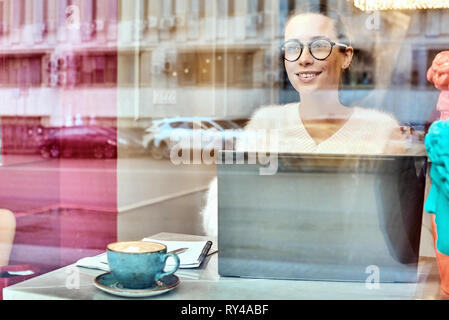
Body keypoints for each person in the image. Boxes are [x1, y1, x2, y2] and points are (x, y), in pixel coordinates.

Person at [201, 5, 406, 237]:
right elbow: (219, 217)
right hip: (276, 266)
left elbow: (400, 230)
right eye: (292, 48)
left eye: (318, 46)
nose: (304, 59)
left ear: (346, 56)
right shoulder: (265, 123)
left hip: (351, 268)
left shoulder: (381, 129)